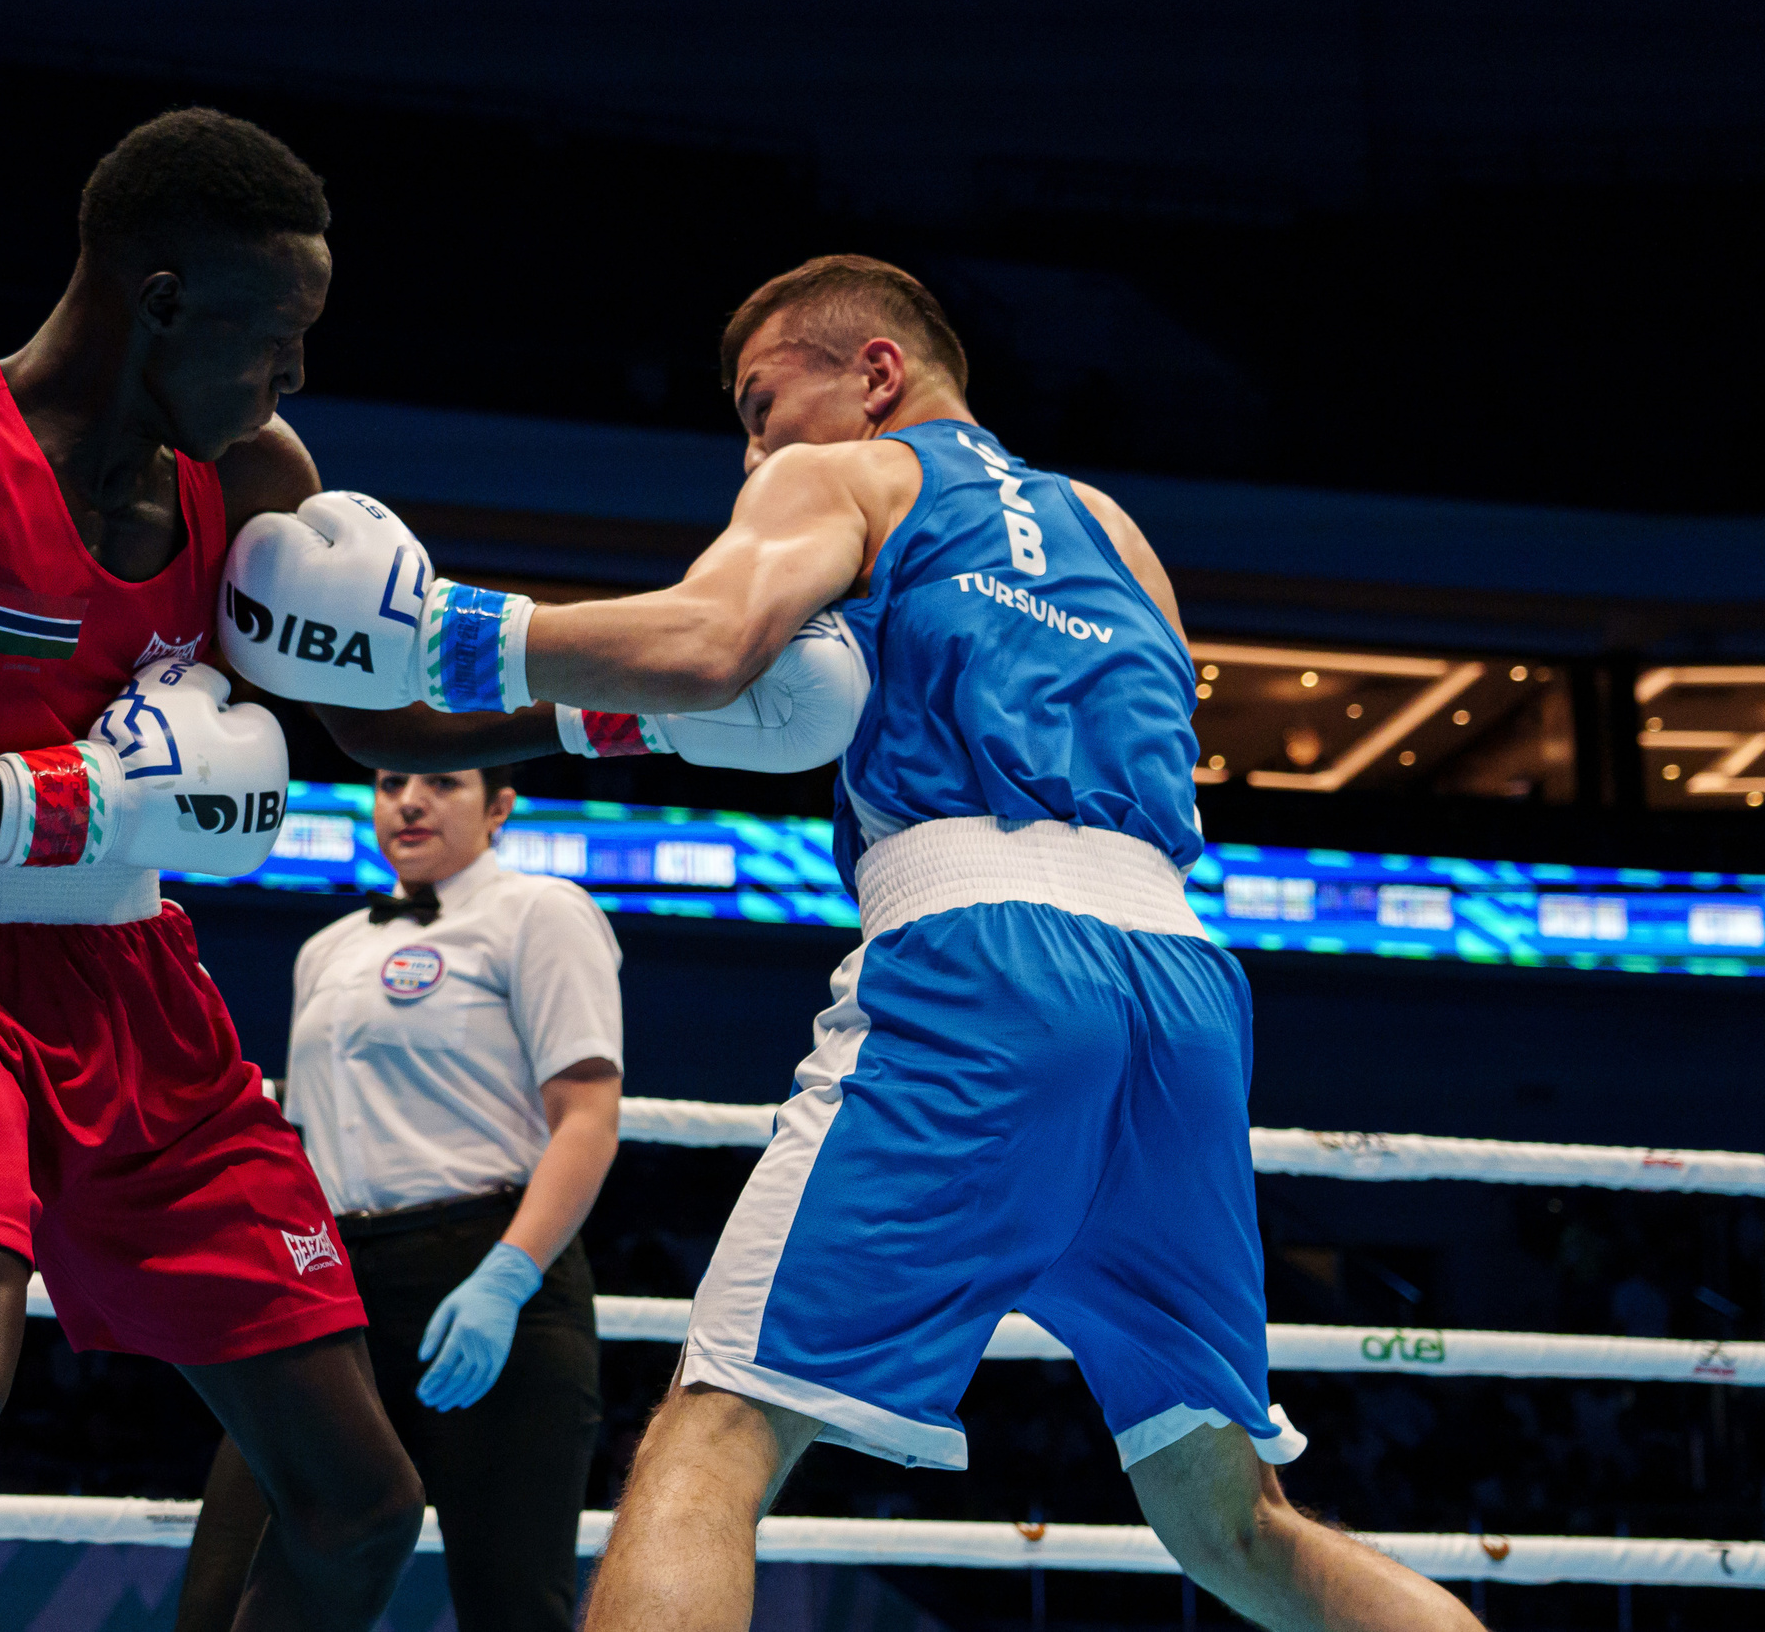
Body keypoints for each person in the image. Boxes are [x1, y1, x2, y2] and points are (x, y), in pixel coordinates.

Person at [218, 254, 1486, 1632]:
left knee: (710, 1442)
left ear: (874, 372)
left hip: (982, 960)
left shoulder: (853, 475)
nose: (753, 449)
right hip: (1181, 988)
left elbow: (708, 642)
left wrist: (440, 637)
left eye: (765, 405)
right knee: (1236, 1524)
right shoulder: (1117, 532)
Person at [0, 106, 555, 1632]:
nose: (295, 375)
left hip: (140, 995)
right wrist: (67, 805)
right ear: (163, 298)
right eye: (278, 334)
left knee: (362, 1502)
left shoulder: (248, 470)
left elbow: (380, 717)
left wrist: (650, 702)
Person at [179, 765, 623, 1632]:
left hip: (491, 1265)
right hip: (329, 1279)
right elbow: (301, 1142)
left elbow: (587, 1117)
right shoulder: (326, 948)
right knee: (230, 1576)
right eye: (389, 783)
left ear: (500, 806)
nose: (408, 801)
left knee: (512, 1602)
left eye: (442, 783)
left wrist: (509, 1274)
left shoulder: (542, 910)